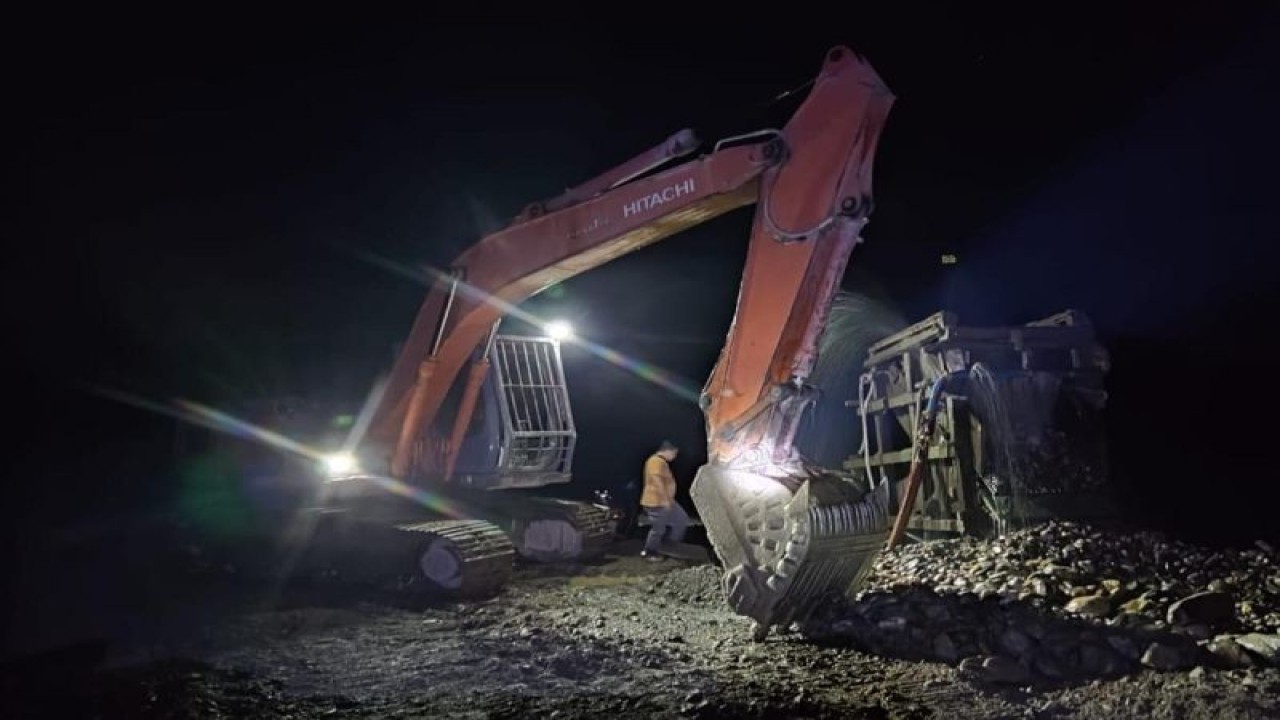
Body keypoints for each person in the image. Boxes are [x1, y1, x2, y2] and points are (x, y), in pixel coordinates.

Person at [639, 440, 690, 561]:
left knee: (681, 519)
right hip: (657, 501)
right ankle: (649, 552)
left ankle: (669, 546)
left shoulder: (661, 462)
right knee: (658, 528)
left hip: (667, 500)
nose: (674, 457)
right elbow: (657, 481)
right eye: (674, 454)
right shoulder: (655, 461)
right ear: (667, 451)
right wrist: (665, 499)